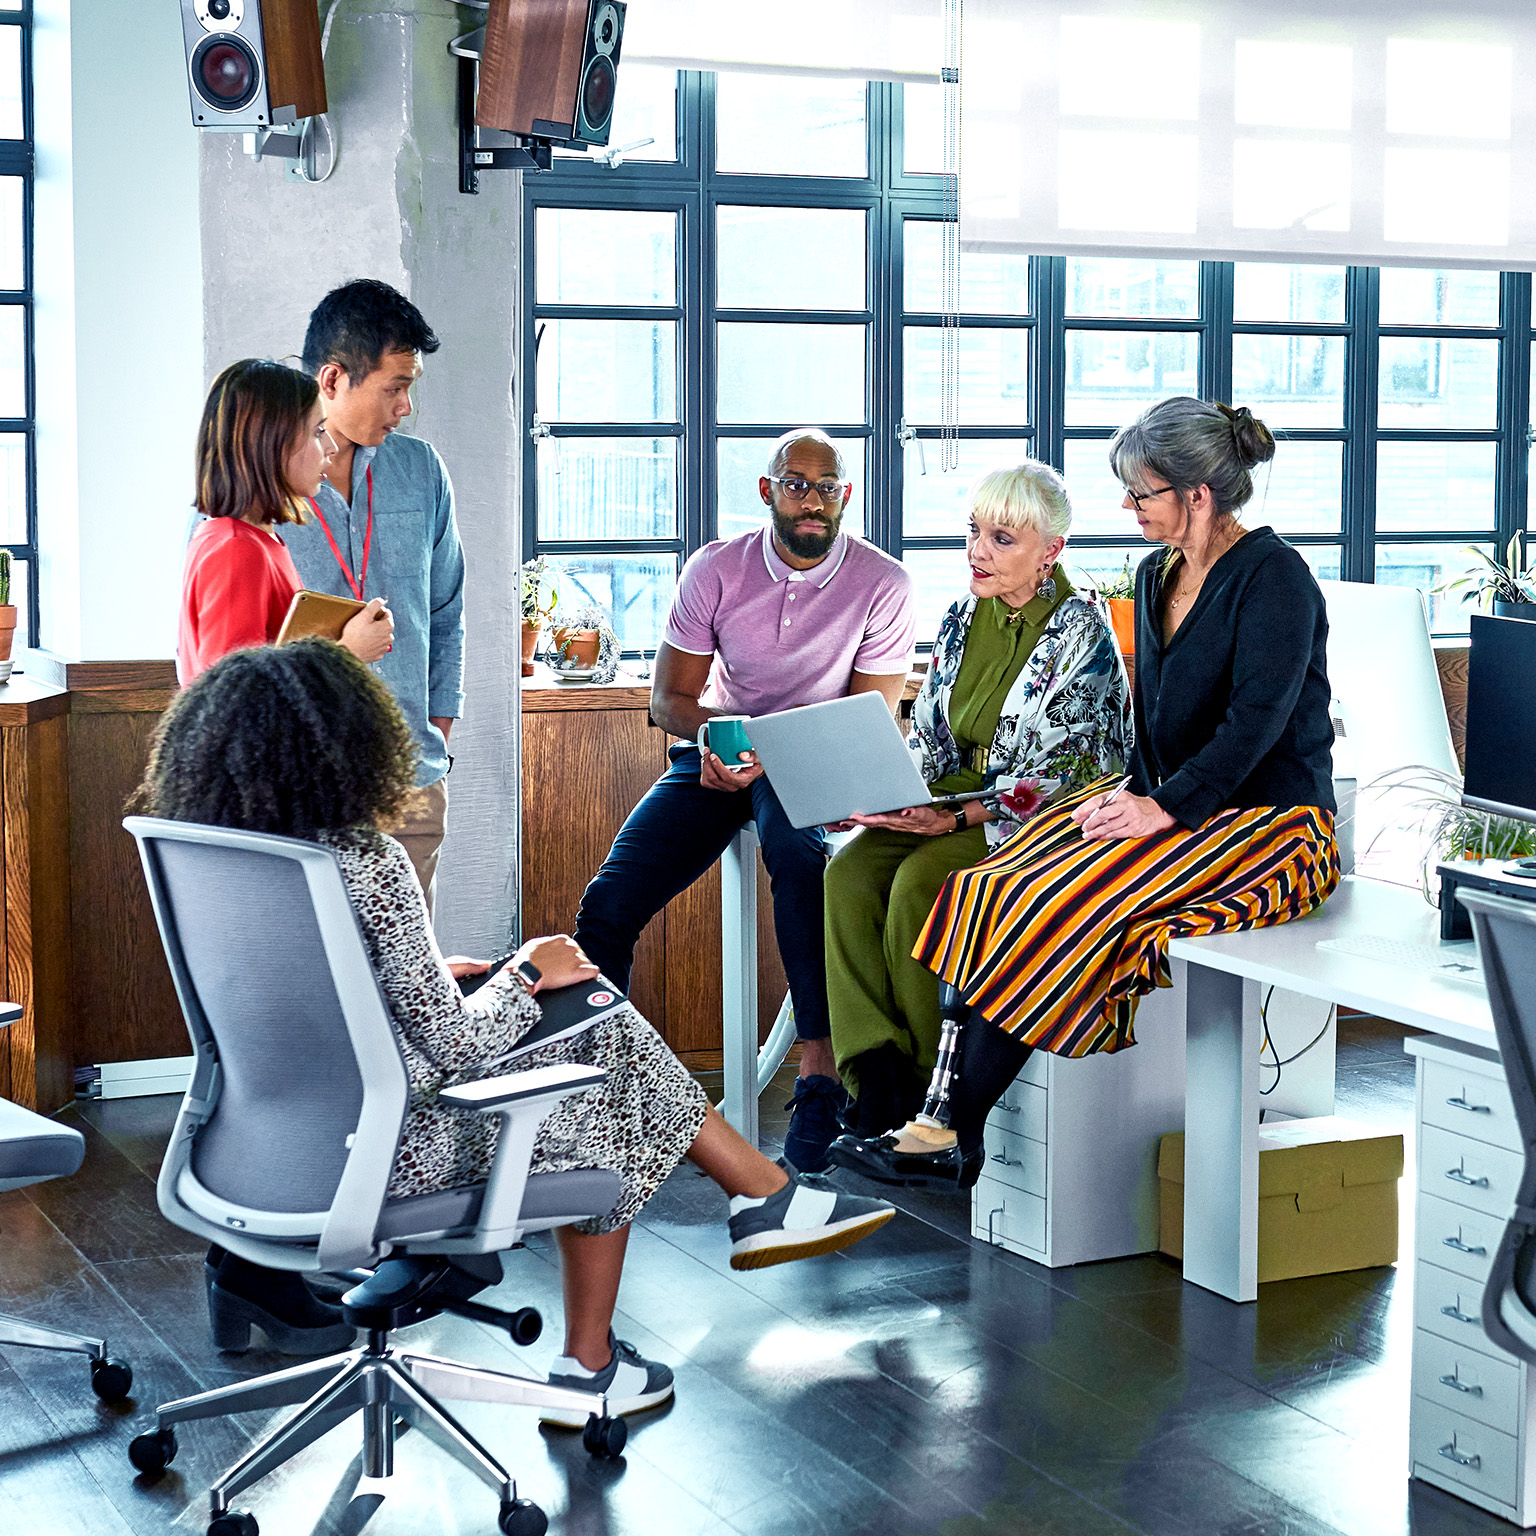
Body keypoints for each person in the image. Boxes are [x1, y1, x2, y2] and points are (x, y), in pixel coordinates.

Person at [135, 640, 896, 1418]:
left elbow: (319, 999)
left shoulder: (216, 853)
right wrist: (527, 971)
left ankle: (746, 1213)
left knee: (594, 1026)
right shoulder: (365, 862)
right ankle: (633, 1321)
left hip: (248, 1153)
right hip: (388, 1155)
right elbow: (459, 1048)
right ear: (345, 743)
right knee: (597, 1058)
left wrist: (441, 978)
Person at [830, 397, 1340, 1190]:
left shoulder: (1276, 582)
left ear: (1196, 495)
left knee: (1063, 900)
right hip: (1182, 807)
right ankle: (933, 1111)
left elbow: (1255, 728)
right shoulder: (1157, 571)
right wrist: (1126, 798)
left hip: (1277, 827)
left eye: (1141, 494)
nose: (1128, 507)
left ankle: (949, 1128)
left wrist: (1159, 806)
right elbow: (1156, 725)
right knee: (989, 882)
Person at [573, 429, 917, 1173]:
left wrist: (782, 753)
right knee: (608, 901)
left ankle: (819, 1071)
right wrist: (732, 740)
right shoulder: (717, 568)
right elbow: (670, 700)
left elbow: (867, 721)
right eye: (797, 483)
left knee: (799, 857)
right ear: (767, 491)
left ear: (845, 496)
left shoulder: (883, 582)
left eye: (828, 487)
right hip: (719, 757)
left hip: (812, 764)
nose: (814, 500)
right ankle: (592, 1087)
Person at [820, 461, 1131, 1162]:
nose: (976, 552)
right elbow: (930, 729)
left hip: (1040, 816)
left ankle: (940, 1098)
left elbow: (1070, 772)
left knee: (920, 886)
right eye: (973, 532)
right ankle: (878, 1079)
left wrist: (959, 817)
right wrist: (896, 794)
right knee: (848, 875)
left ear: (1051, 551)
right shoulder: (961, 615)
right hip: (948, 801)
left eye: (1001, 539)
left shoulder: (1083, 633)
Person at [285, 280, 464, 914]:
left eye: (409, 387)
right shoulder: (260, 488)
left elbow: (445, 608)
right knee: (323, 991)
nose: (406, 406)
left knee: (412, 997)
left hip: (412, 778)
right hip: (304, 787)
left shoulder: (420, 468)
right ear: (332, 381)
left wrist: (439, 720)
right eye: (394, 387)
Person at [177, 359, 395, 685]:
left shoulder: (252, 540)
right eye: (318, 431)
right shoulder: (236, 549)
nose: (331, 447)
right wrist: (347, 654)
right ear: (270, 442)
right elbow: (233, 700)